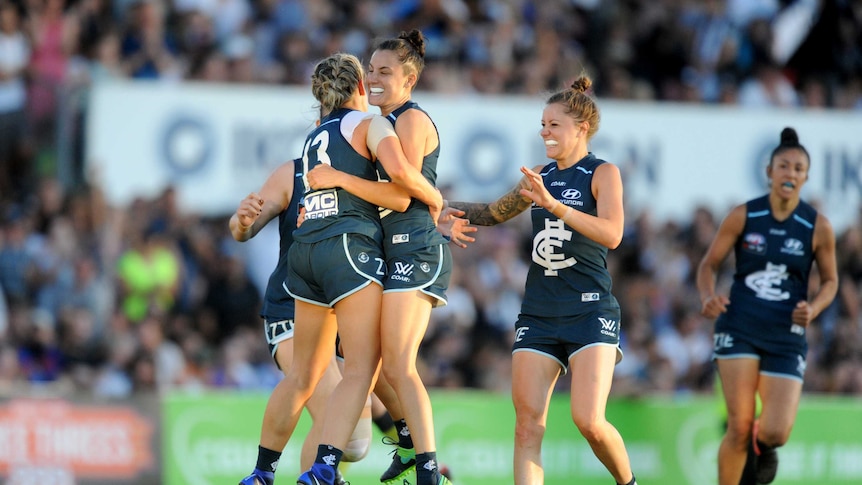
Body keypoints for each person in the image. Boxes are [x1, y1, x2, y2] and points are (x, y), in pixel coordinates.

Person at [447, 75, 638, 485]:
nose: (544, 132)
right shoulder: (538, 174)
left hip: (589, 309)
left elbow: (613, 234)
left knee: (589, 420)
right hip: (539, 312)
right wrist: (436, 203)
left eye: (553, 124)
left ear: (580, 128)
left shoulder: (603, 173)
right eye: (543, 124)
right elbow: (492, 213)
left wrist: (555, 206)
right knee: (527, 427)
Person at [278, 52, 442, 485]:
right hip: (358, 250)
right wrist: (437, 199)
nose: (373, 80)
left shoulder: (317, 136)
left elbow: (393, 187)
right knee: (372, 366)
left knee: (327, 372)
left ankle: (295, 469)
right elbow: (402, 186)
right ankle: (419, 460)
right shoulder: (371, 124)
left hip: (338, 253)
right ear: (356, 86)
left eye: (382, 72)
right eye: (368, 73)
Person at [696, 127, 838, 485]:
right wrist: (708, 296)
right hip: (740, 325)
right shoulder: (744, 215)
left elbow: (832, 281)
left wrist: (816, 307)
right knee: (739, 425)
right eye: (784, 166)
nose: (790, 173)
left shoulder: (817, 226)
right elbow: (708, 265)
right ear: (770, 172)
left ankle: (763, 451)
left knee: (775, 433)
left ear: (805, 177)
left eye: (797, 168)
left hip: (785, 333)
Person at [232, 157, 385, 485]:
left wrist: (431, 218)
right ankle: (266, 474)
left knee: (355, 436)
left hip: (343, 312)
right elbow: (244, 227)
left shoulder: (372, 176)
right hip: (293, 308)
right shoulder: (295, 173)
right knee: (345, 430)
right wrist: (242, 222)